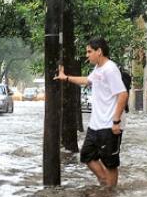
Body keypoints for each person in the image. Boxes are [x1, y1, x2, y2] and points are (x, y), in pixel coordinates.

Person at [54, 38, 129, 187]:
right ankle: (105, 182)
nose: (87, 55)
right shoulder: (98, 69)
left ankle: (110, 193)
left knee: (110, 164)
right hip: (95, 125)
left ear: (99, 51)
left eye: (89, 51)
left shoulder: (110, 68)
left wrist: (116, 121)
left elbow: (123, 94)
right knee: (86, 155)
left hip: (109, 125)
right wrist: (66, 78)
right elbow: (87, 80)